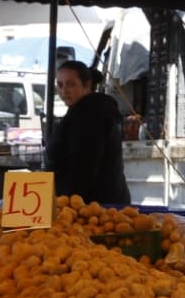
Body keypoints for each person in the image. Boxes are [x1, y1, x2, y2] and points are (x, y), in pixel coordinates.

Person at [49, 59, 130, 205]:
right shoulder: (86, 110)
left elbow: (85, 164)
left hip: (93, 205)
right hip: (105, 200)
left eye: (71, 84)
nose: (64, 90)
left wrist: (70, 202)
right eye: (60, 85)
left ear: (87, 85)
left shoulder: (89, 114)